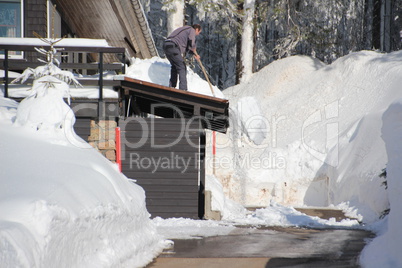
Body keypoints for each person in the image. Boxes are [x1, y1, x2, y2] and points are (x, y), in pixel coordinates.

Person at [163, 24, 202, 91]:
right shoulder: (191, 30)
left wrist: (194, 54)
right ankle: (183, 89)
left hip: (166, 46)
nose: (198, 34)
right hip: (173, 46)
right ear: (196, 29)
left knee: (175, 66)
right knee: (182, 66)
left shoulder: (185, 30)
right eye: (199, 32)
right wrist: (194, 48)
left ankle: (172, 86)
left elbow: (188, 47)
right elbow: (191, 42)